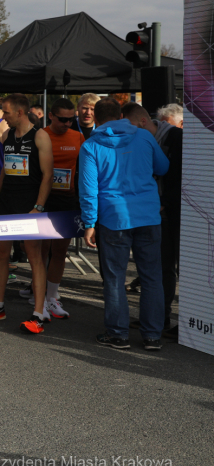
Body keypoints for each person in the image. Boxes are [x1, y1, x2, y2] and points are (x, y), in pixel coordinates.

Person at [80, 98, 169, 350]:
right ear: (120, 114)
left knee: (115, 278)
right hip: (148, 215)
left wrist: (89, 223)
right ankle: (152, 336)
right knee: (152, 277)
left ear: (95, 119)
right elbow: (163, 167)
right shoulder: (144, 136)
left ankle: (118, 334)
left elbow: (88, 189)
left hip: (113, 217)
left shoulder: (91, 145)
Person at [0, 94, 53, 334]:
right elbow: (5, 168)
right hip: (7, 202)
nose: (3, 117)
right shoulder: (8, 135)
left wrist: (39, 207)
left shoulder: (40, 136)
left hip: (29, 204)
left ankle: (39, 314)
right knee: (1, 254)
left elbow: (48, 175)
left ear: (20, 113)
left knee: (34, 256)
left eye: (7, 113)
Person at [122, 103, 182, 339]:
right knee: (159, 268)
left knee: (172, 268)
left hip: (170, 213)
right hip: (151, 214)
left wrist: (164, 201)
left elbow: (178, 174)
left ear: (143, 122)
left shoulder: (176, 137)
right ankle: (159, 318)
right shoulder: (144, 137)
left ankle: (175, 320)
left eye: (133, 128)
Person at [30, 97, 86, 320]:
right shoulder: (41, 135)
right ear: (51, 115)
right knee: (42, 251)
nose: (67, 124)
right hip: (45, 198)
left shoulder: (78, 136)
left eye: (71, 120)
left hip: (67, 199)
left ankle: (52, 298)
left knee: (61, 251)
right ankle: (39, 298)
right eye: (62, 119)